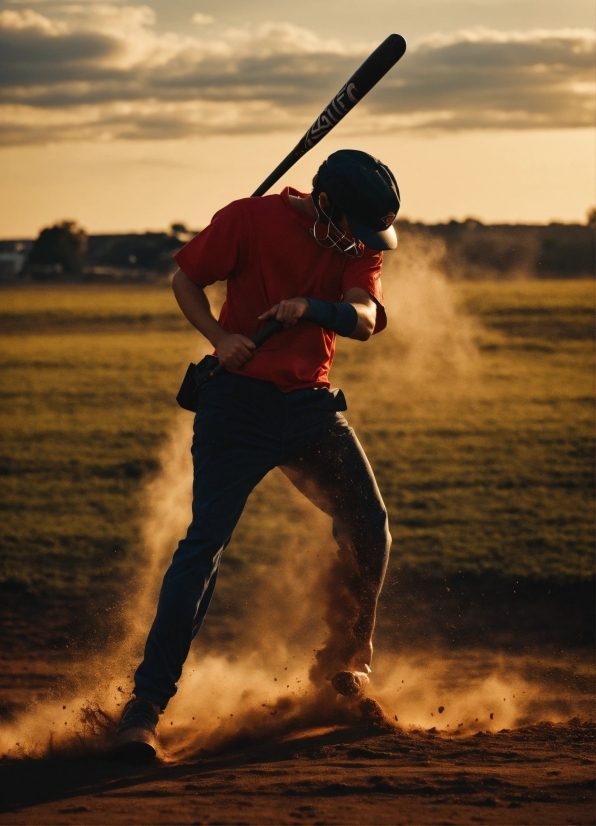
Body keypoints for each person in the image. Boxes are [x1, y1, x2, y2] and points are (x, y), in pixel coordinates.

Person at [114, 149, 399, 761]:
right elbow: (186, 279)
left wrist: (310, 308)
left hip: (310, 408)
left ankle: (344, 667)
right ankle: (144, 709)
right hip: (234, 408)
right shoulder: (247, 220)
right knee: (203, 550)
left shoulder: (359, 244)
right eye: (355, 228)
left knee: (368, 523)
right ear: (326, 206)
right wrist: (222, 340)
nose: (362, 244)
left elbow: (366, 318)